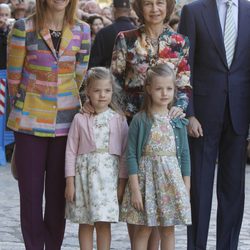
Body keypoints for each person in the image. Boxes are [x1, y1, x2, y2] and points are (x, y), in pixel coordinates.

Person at [7, 0, 91, 247]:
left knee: (58, 197)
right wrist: (25, 110)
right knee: (30, 197)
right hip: (29, 123)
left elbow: (79, 75)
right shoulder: (24, 27)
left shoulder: (82, 30)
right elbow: (14, 79)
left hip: (66, 125)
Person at [111, 0, 191, 247]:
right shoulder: (126, 38)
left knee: (162, 209)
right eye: (148, 3)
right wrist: (123, 113)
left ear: (168, 7)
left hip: (165, 122)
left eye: (160, 3)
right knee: (137, 205)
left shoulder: (179, 42)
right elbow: (114, 79)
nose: (155, 8)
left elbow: (185, 83)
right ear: (139, 8)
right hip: (132, 123)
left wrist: (180, 108)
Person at [178, 0, 250, 249]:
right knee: (199, 190)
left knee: (233, 192)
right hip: (202, 116)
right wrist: (189, 113)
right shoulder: (193, 11)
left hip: (239, 113)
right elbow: (184, 65)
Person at [120, 63, 191, 250]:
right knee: (143, 229)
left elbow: (184, 156)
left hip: (170, 184)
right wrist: (134, 189)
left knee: (168, 230)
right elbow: (132, 156)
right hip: (145, 184)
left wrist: (186, 186)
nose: (164, 93)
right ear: (149, 89)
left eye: (169, 88)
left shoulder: (177, 121)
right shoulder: (140, 120)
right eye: (159, 88)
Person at [64, 67, 128, 250]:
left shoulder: (119, 119)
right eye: (97, 90)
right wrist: (70, 182)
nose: (102, 95)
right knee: (85, 222)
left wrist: (122, 184)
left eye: (107, 91)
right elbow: (70, 152)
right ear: (88, 92)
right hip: (84, 179)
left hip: (108, 181)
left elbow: (124, 155)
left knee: (103, 222)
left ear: (112, 92)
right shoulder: (80, 119)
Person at [88, 0, 135, 69]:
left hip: (109, 76)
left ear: (113, 10)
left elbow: (94, 64)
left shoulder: (103, 33)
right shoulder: (138, 32)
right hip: (133, 77)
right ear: (130, 11)